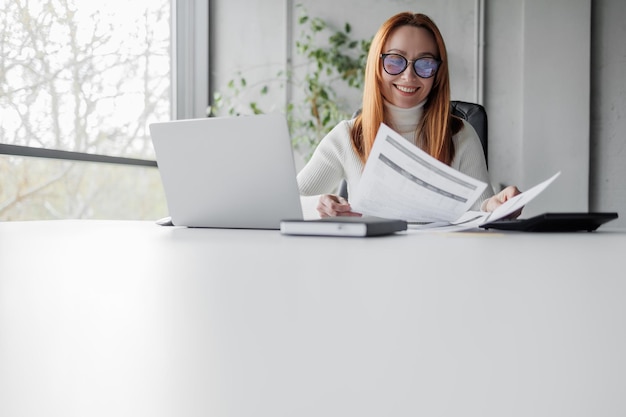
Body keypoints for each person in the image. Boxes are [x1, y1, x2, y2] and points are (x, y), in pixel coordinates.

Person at [296, 12, 521, 218]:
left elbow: (480, 210)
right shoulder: (348, 136)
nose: (408, 76)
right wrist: (318, 204)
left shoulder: (461, 134)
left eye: (425, 64)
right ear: (377, 65)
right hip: (369, 258)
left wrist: (496, 206)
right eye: (395, 61)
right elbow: (288, 202)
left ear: (437, 73)